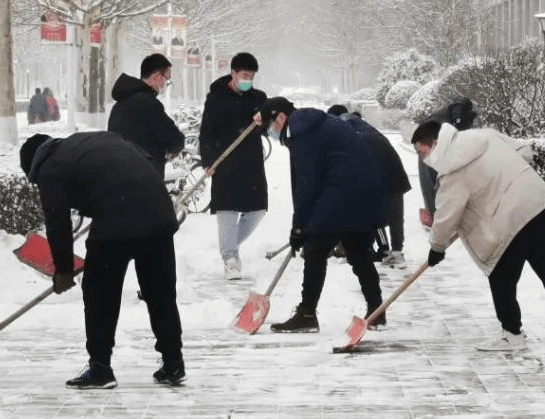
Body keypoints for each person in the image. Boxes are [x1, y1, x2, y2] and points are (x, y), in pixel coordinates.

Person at [20, 131, 185, 388]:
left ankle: (100, 368)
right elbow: (139, 164)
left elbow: (57, 222)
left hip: (117, 222)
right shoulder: (90, 142)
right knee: (160, 293)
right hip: (158, 214)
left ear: (33, 165)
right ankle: (174, 363)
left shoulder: (48, 167)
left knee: (100, 293)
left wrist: (63, 271)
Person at [412, 119, 545, 351]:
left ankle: (512, 334)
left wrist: (437, 247)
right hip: (538, 201)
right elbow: (524, 150)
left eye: (423, 152)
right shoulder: (484, 135)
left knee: (501, 275)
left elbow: (447, 214)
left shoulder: (451, 169)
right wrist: (511, 181)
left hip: (510, 217)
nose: (424, 159)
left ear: (434, 142)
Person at [256, 97, 386, 332]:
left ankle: (306, 314)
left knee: (315, 249)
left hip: (344, 190)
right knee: (358, 250)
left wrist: (299, 227)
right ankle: (377, 311)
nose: (271, 131)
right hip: (361, 189)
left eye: (270, 125)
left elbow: (306, 184)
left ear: (281, 117)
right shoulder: (313, 124)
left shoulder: (303, 133)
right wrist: (300, 225)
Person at [198, 52, 269, 280]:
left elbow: (268, 126)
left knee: (257, 210)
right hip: (224, 161)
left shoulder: (259, 98)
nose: (249, 79)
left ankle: (228, 245)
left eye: (252, 76)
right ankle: (229, 258)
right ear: (233, 73)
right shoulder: (216, 98)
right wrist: (208, 161)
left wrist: (263, 120)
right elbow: (206, 132)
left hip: (251, 162)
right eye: (245, 75)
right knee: (227, 211)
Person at [328, 104, 412, 268]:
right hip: (393, 165)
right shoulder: (360, 123)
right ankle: (395, 252)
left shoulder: (340, 125)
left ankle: (378, 249)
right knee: (394, 209)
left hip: (370, 166)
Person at [107, 54, 185, 177]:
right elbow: (174, 140)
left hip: (119, 173)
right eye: (167, 79)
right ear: (157, 76)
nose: (167, 84)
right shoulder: (149, 104)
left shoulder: (120, 103)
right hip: (144, 176)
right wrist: (173, 150)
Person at [417, 98, 477, 228]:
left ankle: (434, 216)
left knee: (431, 185)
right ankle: (438, 219)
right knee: (437, 183)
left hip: (424, 143)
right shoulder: (458, 115)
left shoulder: (450, 112)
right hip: (430, 145)